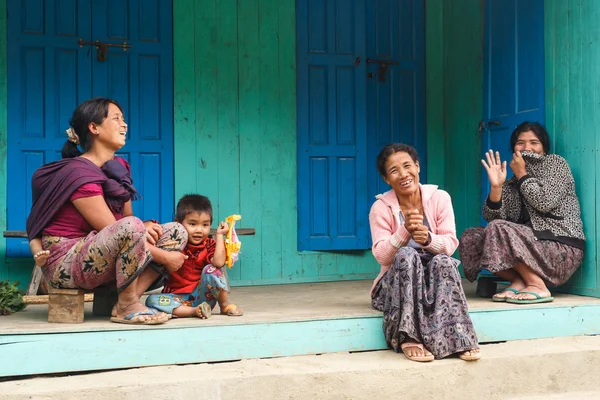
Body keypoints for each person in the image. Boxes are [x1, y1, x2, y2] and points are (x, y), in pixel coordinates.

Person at [26, 98, 189, 325]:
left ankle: (126, 300)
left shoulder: (119, 167)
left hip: (103, 249)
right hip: (67, 261)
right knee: (132, 228)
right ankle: (127, 304)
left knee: (176, 232)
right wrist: (166, 257)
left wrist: (146, 227)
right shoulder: (79, 174)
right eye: (116, 119)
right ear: (94, 128)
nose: (124, 125)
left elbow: (127, 220)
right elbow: (113, 227)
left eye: (124, 119)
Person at [369, 143, 480, 362]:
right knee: (406, 256)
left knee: (444, 262)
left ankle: (459, 338)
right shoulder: (380, 208)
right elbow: (382, 256)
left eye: (407, 166)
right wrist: (404, 232)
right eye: (394, 171)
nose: (403, 174)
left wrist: (428, 239)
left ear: (417, 167)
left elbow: (450, 245)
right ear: (386, 179)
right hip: (394, 288)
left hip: (433, 285)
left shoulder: (440, 198)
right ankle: (408, 337)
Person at [459, 122, 585, 304]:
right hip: (532, 249)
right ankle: (517, 280)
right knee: (473, 236)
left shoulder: (556, 164)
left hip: (561, 250)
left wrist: (522, 174)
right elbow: (493, 219)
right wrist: (496, 187)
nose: (527, 148)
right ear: (513, 148)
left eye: (534, 142)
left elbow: (544, 201)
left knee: (498, 228)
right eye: (520, 143)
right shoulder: (511, 182)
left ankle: (537, 285)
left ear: (544, 148)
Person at [145, 194, 244, 318]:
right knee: (151, 300)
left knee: (212, 270)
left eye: (205, 225)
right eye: (192, 224)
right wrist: (147, 224)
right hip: (176, 298)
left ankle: (224, 305)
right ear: (178, 223)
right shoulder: (174, 242)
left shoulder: (208, 245)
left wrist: (219, 235)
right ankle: (195, 311)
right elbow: (154, 228)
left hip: (203, 296)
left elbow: (219, 263)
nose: (199, 230)